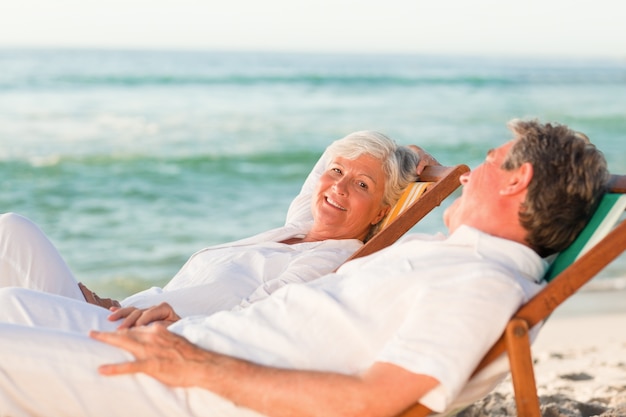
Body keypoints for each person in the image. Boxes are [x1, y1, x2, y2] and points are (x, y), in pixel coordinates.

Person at [0, 119, 609, 417]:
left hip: (183, 383)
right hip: (179, 350)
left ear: (520, 179)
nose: (469, 174)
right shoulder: (462, 260)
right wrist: (434, 180)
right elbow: (461, 194)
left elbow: (374, 400)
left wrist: (199, 367)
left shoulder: (480, 284)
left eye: (487, 161)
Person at [0, 130, 422, 319]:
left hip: (138, 336)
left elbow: (260, 314)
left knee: (10, 301)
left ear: (383, 211)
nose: (339, 187)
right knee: (11, 231)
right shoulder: (302, 226)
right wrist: (408, 154)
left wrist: (175, 317)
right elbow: (327, 165)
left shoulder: (332, 257)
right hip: (120, 313)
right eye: (336, 173)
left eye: (362, 184)